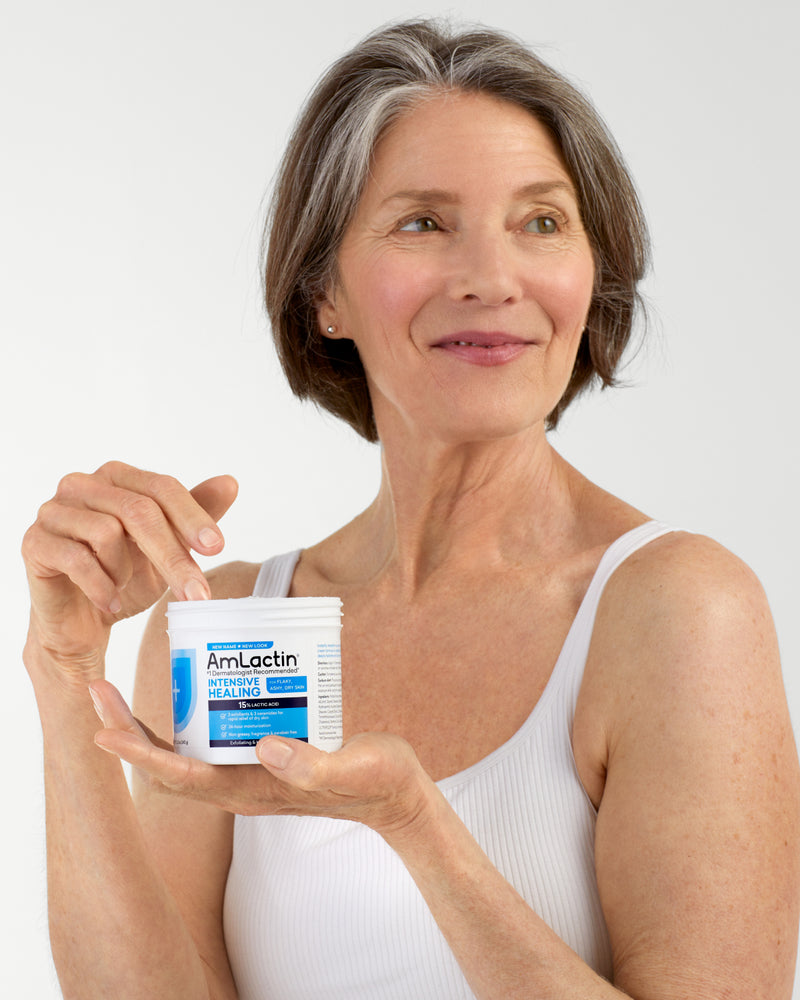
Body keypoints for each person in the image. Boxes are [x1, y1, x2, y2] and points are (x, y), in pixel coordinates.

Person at [21, 18, 800, 1000]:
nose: (490, 277)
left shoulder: (672, 609)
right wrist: (62, 672)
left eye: (541, 221)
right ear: (322, 294)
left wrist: (412, 822)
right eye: (423, 222)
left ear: (590, 271)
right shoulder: (235, 620)